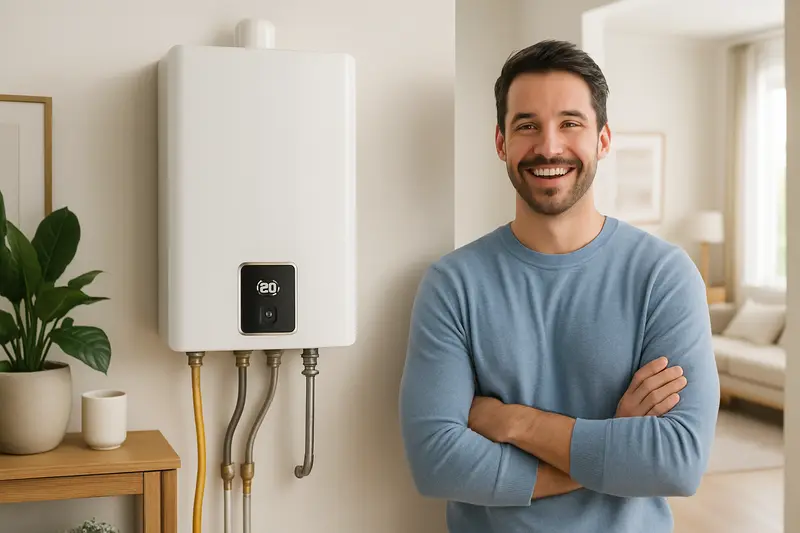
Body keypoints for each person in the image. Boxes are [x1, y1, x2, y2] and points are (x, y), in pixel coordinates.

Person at [398, 39, 720, 533]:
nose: (548, 146)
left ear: (603, 140)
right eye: (527, 125)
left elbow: (677, 461)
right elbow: (436, 462)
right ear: (501, 142)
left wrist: (514, 423)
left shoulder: (665, 276)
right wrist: (612, 444)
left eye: (571, 123)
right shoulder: (453, 284)